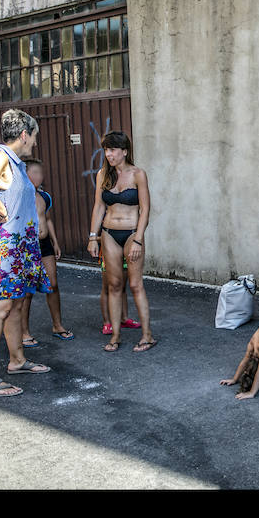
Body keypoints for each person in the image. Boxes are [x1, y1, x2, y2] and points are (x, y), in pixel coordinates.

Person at [0, 109, 52, 397]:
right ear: (23, 134)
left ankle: (17, 360)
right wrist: (0, 209)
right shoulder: (1, 157)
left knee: (16, 305)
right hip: (3, 248)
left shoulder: (14, 161)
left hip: (17, 246)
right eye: (33, 137)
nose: (34, 142)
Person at [87, 131, 157, 353]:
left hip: (131, 234)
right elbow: (99, 206)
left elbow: (145, 209)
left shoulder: (138, 174)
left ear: (124, 151)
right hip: (109, 233)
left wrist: (138, 239)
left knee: (136, 285)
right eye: (106, 150)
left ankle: (147, 336)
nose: (109, 154)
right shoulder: (102, 175)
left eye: (113, 149)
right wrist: (92, 236)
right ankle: (115, 336)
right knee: (114, 286)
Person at [18, 158, 73, 346]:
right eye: (34, 173)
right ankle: (24, 332)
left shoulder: (44, 197)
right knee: (27, 292)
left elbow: (47, 220)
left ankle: (57, 325)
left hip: (45, 245)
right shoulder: (19, 198)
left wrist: (55, 242)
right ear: (24, 175)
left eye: (40, 173)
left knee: (53, 284)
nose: (38, 177)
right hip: (28, 247)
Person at [100, 255, 134, 334]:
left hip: (125, 252)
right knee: (107, 289)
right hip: (108, 251)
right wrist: (93, 241)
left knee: (122, 287)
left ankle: (124, 319)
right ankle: (107, 323)